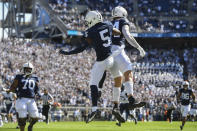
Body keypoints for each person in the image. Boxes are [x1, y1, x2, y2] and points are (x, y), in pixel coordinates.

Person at [59, 10, 125, 123]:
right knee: (118, 79)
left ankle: (94, 109)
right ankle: (116, 107)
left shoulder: (91, 31)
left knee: (93, 83)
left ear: (93, 20)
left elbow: (82, 48)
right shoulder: (108, 24)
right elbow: (117, 32)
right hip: (112, 58)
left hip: (102, 61)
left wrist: (68, 53)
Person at [110, 6, 146, 110]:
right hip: (117, 50)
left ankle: (115, 105)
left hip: (107, 53)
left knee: (118, 79)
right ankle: (131, 97)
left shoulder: (109, 23)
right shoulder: (122, 21)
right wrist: (138, 47)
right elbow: (127, 35)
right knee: (128, 72)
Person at [6, 62, 40, 131]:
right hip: (21, 99)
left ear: (32, 70)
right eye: (26, 69)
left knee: (36, 117)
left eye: (29, 69)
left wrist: (37, 94)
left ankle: (30, 126)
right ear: (23, 69)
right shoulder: (19, 76)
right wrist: (10, 90)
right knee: (22, 117)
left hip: (31, 100)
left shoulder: (35, 77)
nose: (27, 70)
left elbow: (37, 88)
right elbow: (13, 86)